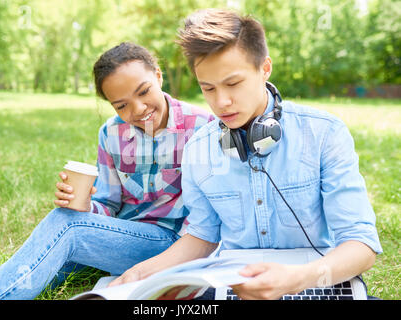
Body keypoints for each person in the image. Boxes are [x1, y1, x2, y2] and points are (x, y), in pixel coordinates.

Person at [109, 9, 383, 300]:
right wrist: (143, 273)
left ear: (264, 69)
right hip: (234, 286)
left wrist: (296, 280)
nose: (221, 102)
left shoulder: (324, 133)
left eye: (233, 84)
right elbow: (202, 237)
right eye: (208, 89)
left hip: (315, 279)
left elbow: (361, 245)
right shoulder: (198, 149)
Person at [0, 42, 214, 300]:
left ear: (158, 76)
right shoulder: (111, 133)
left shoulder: (204, 127)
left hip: (172, 246)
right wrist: (87, 206)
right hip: (119, 239)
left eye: (144, 92)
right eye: (121, 105)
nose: (138, 109)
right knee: (30, 265)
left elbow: (209, 220)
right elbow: (108, 204)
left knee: (66, 226)